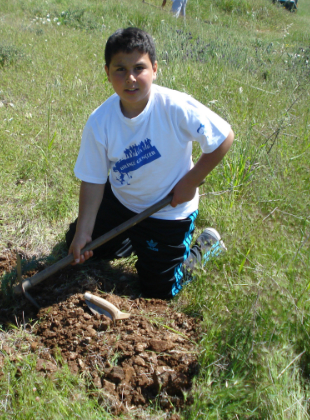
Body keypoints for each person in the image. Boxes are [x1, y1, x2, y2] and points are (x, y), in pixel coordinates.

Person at [66, 28, 234, 299]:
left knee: (159, 292)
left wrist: (190, 182)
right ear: (107, 73)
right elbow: (94, 179)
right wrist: (84, 231)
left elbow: (224, 136)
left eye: (139, 68)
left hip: (168, 208)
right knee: (79, 247)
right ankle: (137, 240)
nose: (130, 78)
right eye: (120, 69)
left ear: (154, 69)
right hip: (122, 203)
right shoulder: (100, 121)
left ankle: (203, 249)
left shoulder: (175, 107)